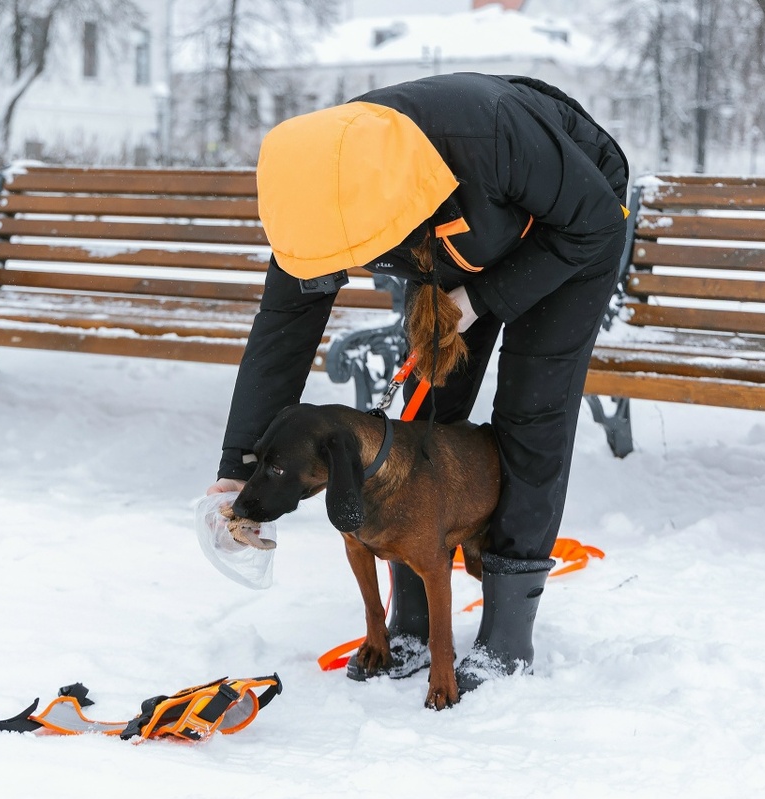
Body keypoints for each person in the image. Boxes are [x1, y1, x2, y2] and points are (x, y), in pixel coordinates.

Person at [205, 72, 629, 693]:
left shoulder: (496, 136)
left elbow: (598, 224)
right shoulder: (320, 191)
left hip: (572, 226)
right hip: (453, 232)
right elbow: (284, 330)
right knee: (430, 402)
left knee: (530, 406)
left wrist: (480, 299)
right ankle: (410, 621)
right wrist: (239, 464)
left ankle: (507, 632)